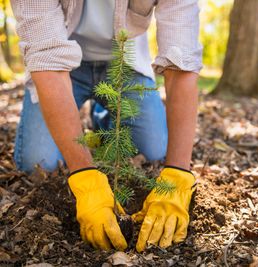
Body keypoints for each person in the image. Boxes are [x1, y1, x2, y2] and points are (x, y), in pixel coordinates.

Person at [11, 0, 202, 252]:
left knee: (154, 150)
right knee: (38, 162)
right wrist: (84, 175)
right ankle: (85, 117)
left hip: (126, 62)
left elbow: (183, 61)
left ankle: (103, 118)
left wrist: (179, 172)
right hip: (60, 64)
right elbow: (47, 60)